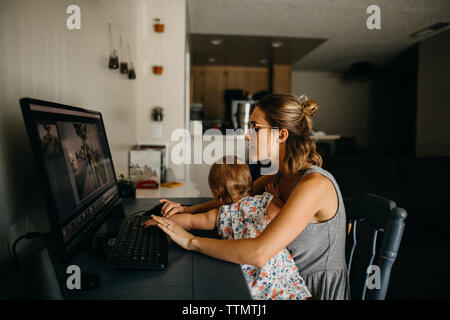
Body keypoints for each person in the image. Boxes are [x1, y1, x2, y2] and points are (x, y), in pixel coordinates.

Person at [150, 93, 350, 300]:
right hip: (277, 282)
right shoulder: (278, 175)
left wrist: (191, 241)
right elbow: (239, 200)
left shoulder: (314, 185)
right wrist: (187, 210)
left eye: (255, 128)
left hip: (309, 290)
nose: (247, 135)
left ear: (281, 135)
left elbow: (259, 253)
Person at [143, 156, 311, 300]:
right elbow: (281, 214)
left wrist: (162, 221)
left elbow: (190, 221)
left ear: (216, 193)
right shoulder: (266, 202)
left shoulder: (221, 214)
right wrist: (277, 197)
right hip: (281, 276)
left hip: (251, 281)